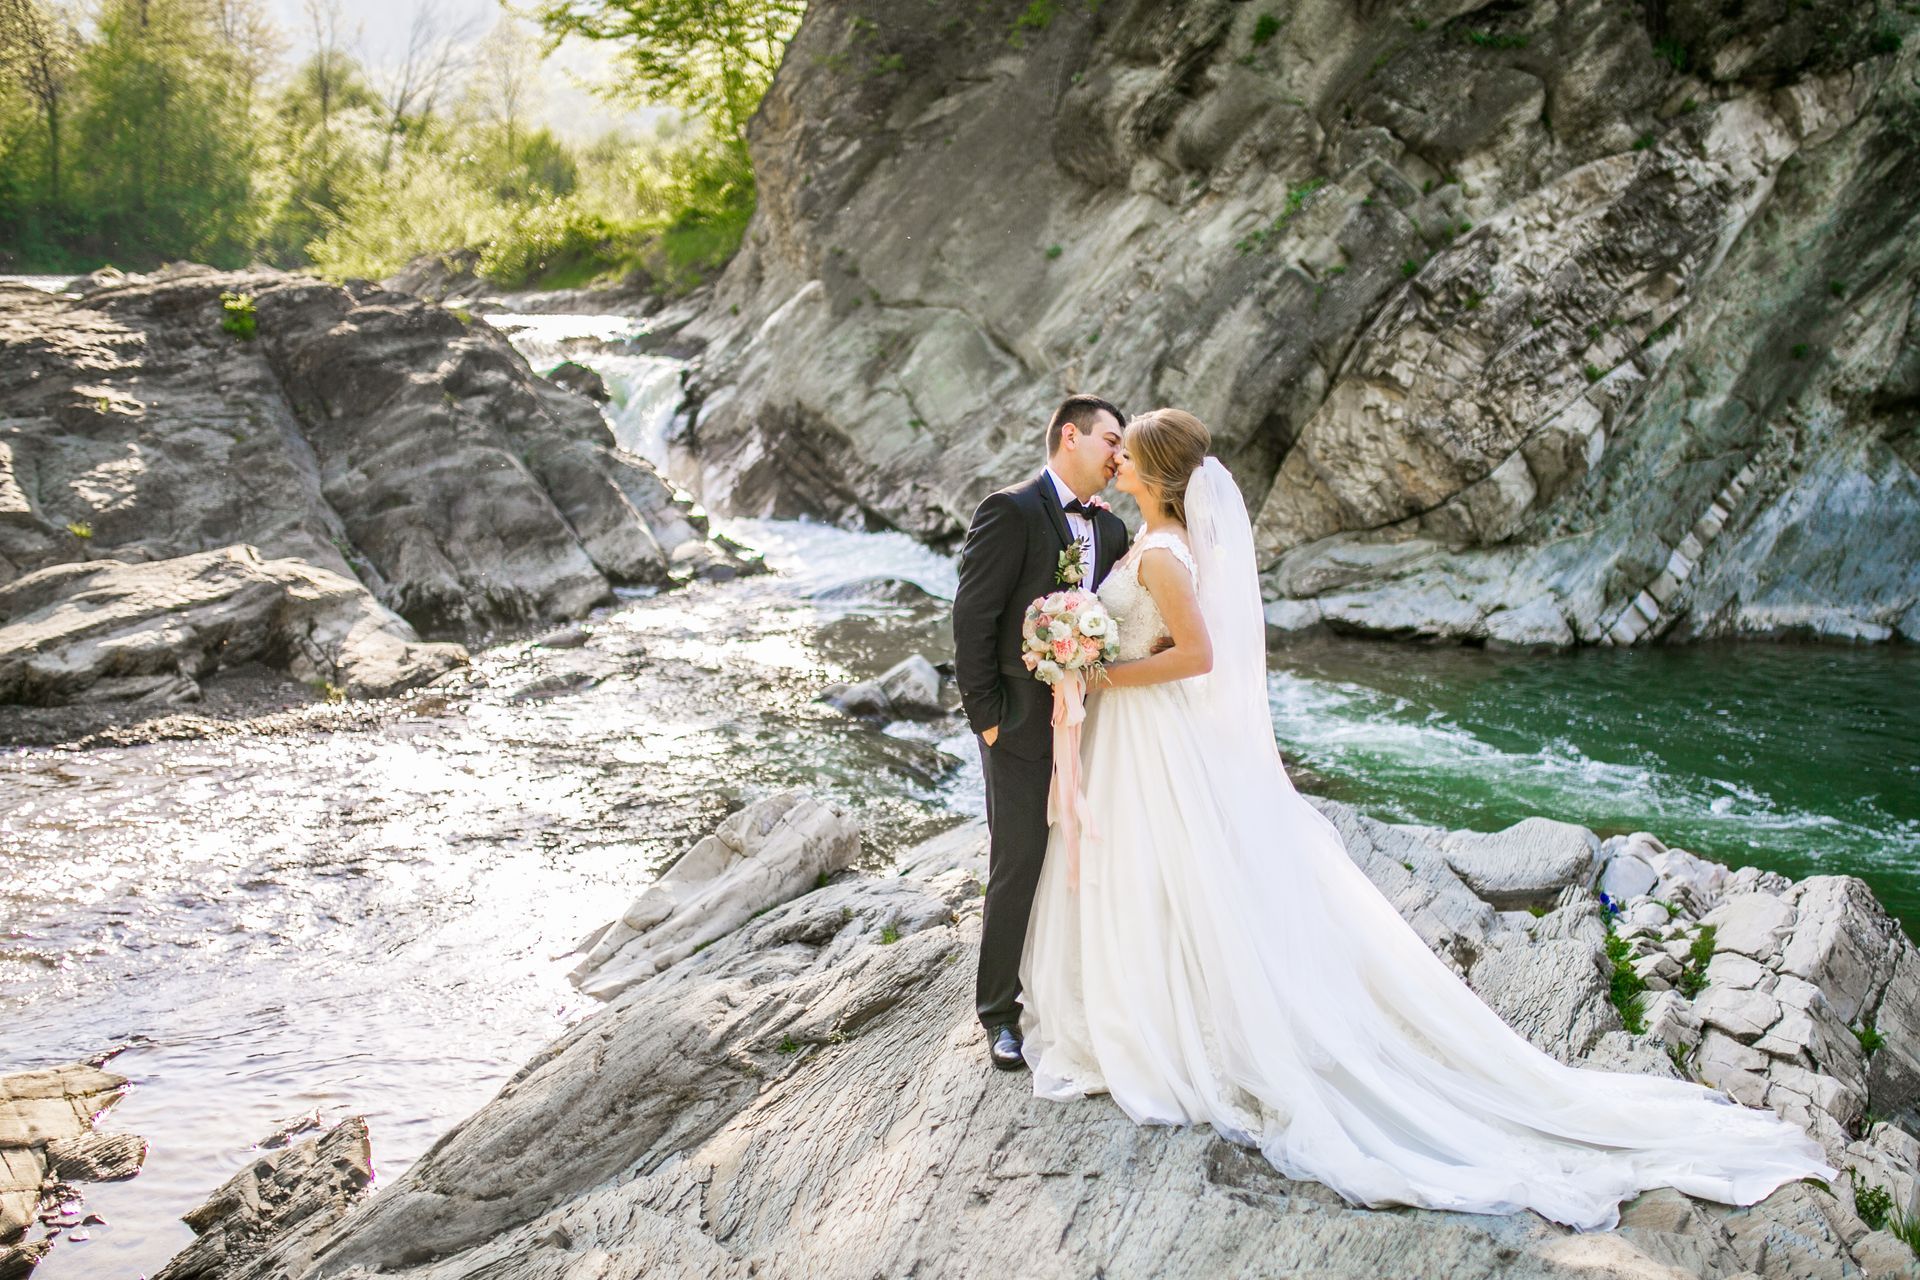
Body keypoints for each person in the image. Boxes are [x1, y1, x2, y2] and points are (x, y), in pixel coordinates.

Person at [1016, 407, 1838, 1232]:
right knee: (1151, 878)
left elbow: (1197, 656)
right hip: (1142, 739)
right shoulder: (1150, 540)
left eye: (1127, 453)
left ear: (1156, 475)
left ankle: (1164, 1028)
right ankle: (1146, 1007)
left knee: (1160, 872)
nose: (1116, 461)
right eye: (1113, 449)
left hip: (1151, 731)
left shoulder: (1164, 554)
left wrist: (1099, 673)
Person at [951, 394, 1130, 1071]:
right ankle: (998, 1013)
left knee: (1085, 856)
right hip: (1020, 724)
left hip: (1092, 722)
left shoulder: (1112, 529)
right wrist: (988, 719)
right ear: (1070, 436)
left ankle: (1074, 994)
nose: (1118, 455)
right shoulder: (1010, 509)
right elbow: (973, 617)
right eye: (1111, 440)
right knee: (1019, 858)